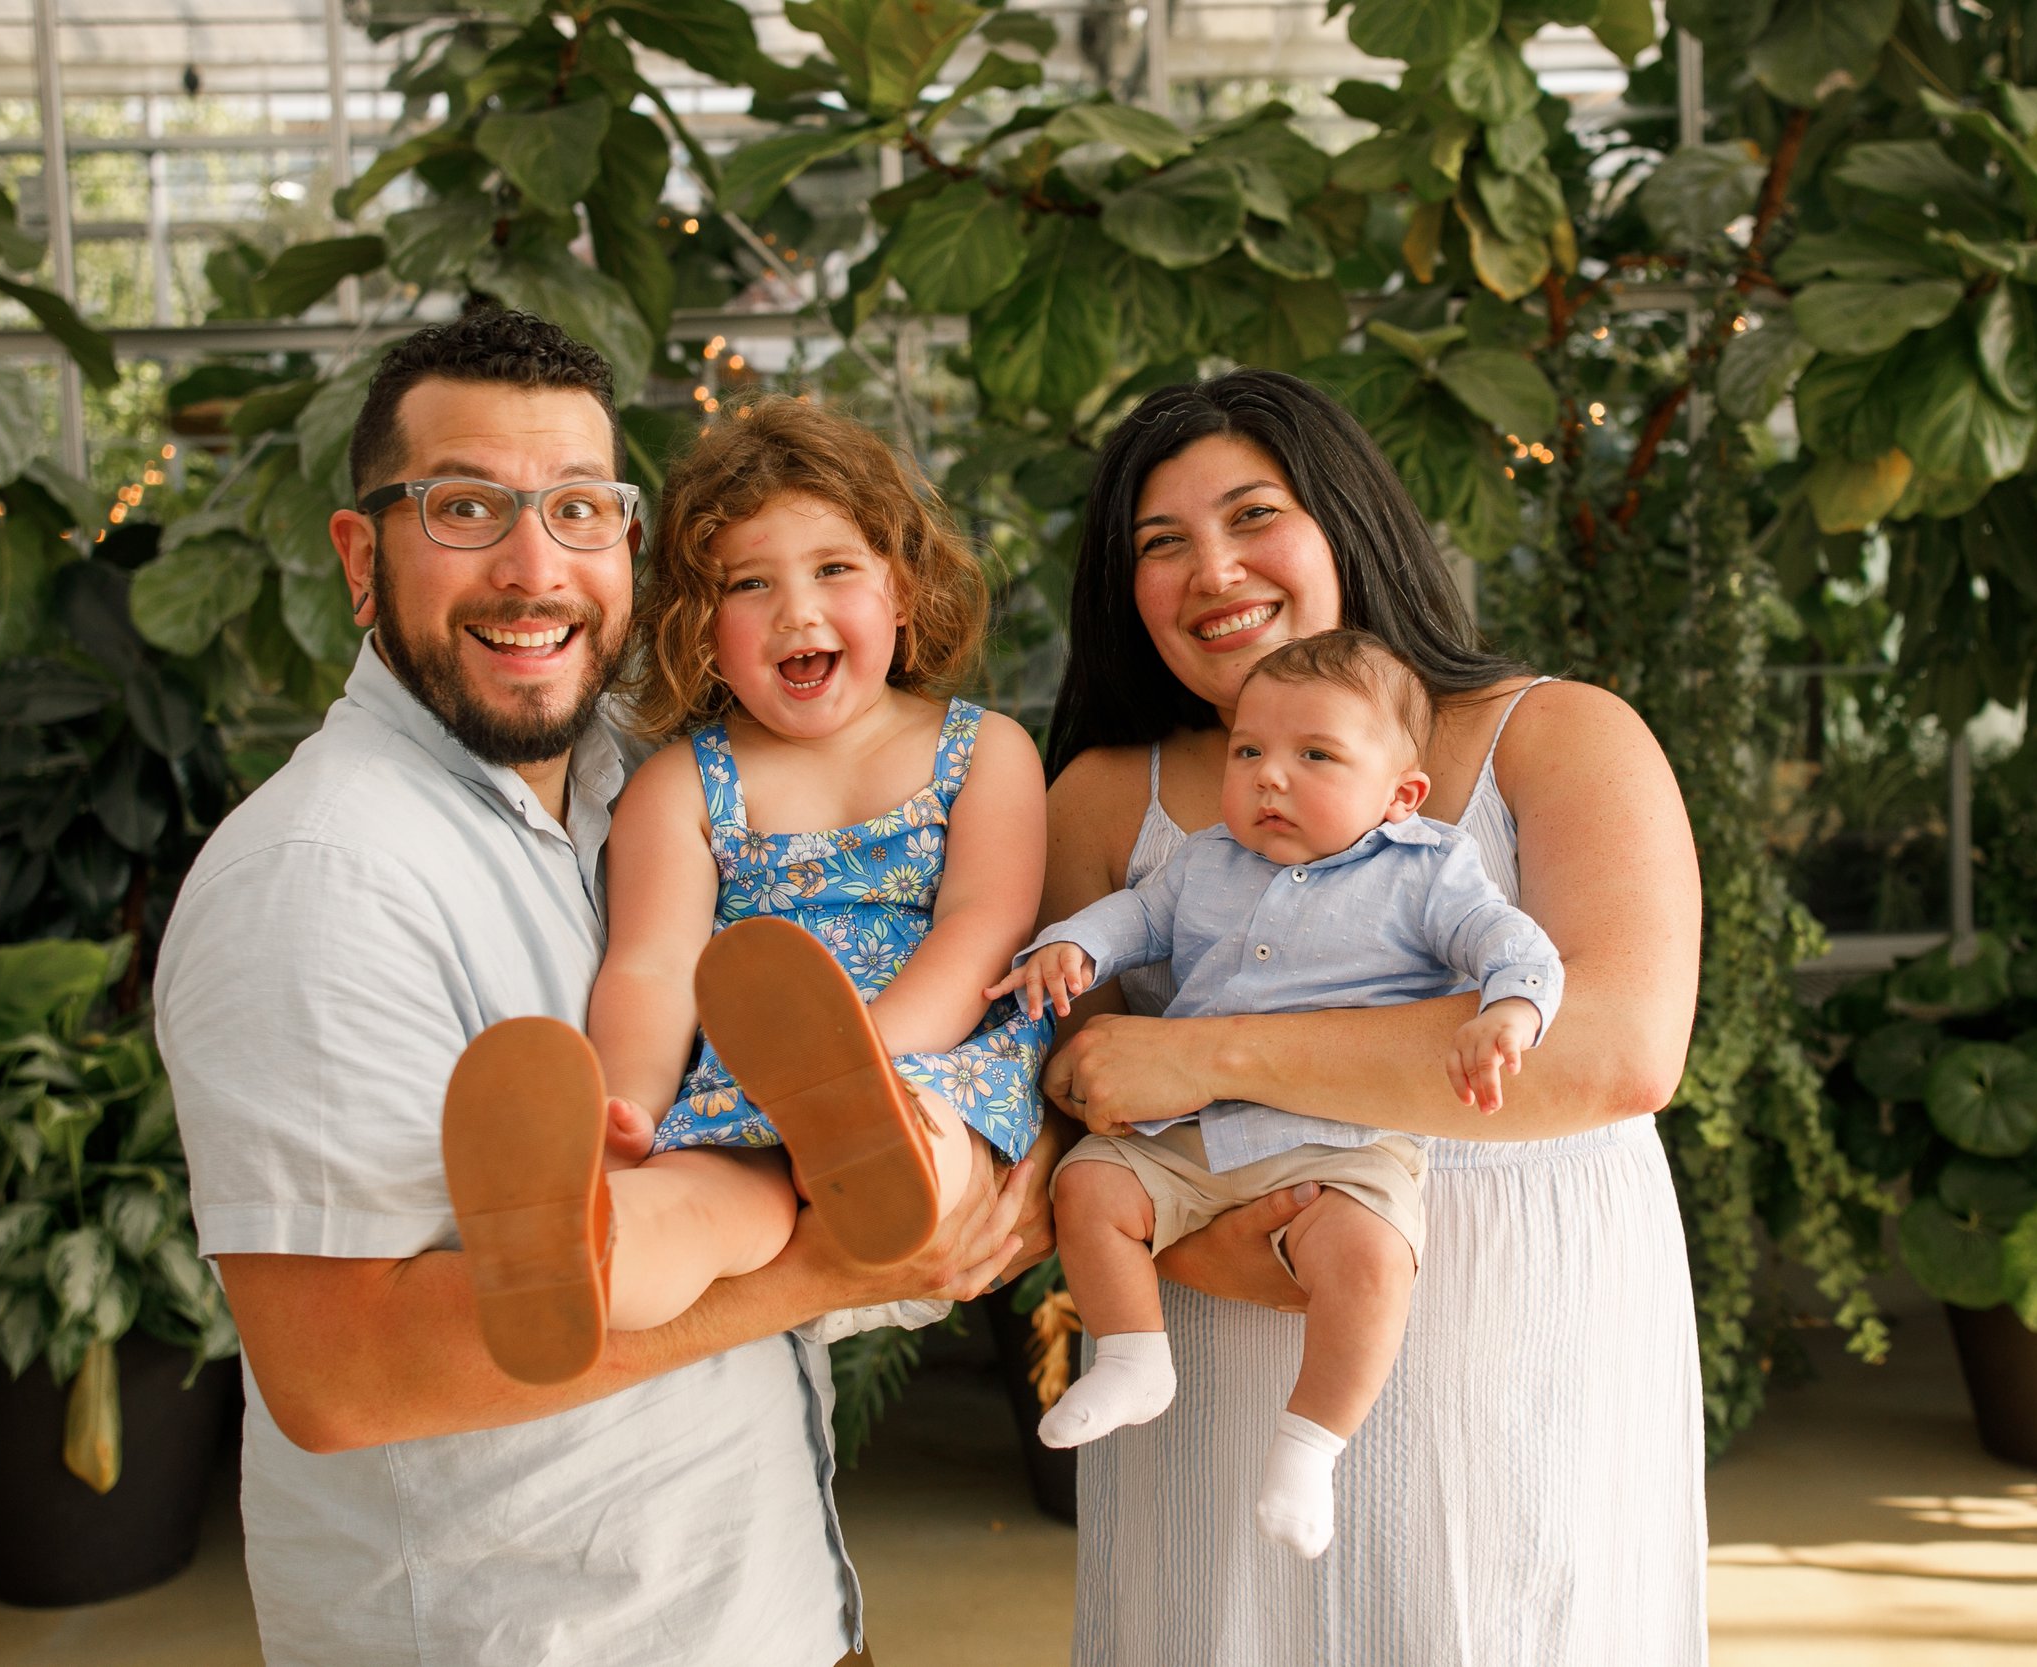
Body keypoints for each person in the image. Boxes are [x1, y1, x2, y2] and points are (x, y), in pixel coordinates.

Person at [154, 309, 1030, 1667]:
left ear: (628, 548)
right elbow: (338, 1375)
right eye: (463, 508)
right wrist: (828, 1260)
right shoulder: (320, 873)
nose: (531, 566)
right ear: (360, 556)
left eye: (576, 508)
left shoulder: (643, 780)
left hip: (762, 1609)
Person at [1039, 370, 1708, 1664]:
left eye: (1252, 515)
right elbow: (1073, 1093)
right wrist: (1213, 1252)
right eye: (1159, 543)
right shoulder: (1104, 797)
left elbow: (1616, 1051)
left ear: (1345, 521)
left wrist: (1208, 1053)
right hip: (1223, 1352)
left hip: (1524, 1344)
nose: (1211, 568)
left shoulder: (1556, 735)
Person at [439, 395, 1050, 1385]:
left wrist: (873, 1055)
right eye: (748, 585)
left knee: (934, 1150)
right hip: (749, 1085)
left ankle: (877, 1156)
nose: (796, 610)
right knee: (697, 1204)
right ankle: (576, 1253)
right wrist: (627, 1112)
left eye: (834, 569)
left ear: (901, 589)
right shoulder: (685, 782)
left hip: (925, 1062)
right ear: (701, 627)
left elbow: (982, 927)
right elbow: (652, 963)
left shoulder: (981, 751)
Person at [994, 629, 1562, 1560]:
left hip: (1337, 1144)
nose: (1269, 777)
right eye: (1249, 751)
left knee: (1374, 1257)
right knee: (1091, 1184)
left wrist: (1510, 1015)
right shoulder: (1207, 860)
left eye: (1315, 756)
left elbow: (1515, 945)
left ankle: (1309, 1445)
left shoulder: (1426, 871)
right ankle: (1135, 1356)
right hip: (1193, 1132)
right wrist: (1076, 947)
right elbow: (1137, 916)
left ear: (1400, 794)